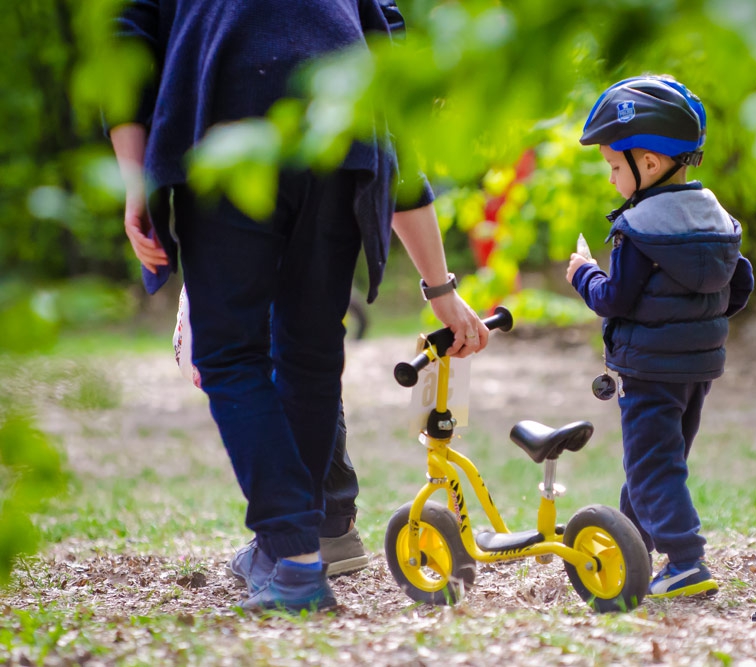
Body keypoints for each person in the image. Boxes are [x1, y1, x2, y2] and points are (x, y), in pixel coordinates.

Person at [109, 0, 489, 612]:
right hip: (344, 140)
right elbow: (389, 82)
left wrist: (135, 186)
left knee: (230, 353)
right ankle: (290, 551)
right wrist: (439, 286)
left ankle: (295, 559)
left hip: (224, 128)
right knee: (311, 353)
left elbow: (127, 47)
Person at [566, 75, 753, 599]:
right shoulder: (716, 216)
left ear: (648, 163)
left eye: (613, 165)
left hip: (648, 371)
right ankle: (634, 552)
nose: (610, 179)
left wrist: (583, 272)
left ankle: (688, 561)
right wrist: (699, 332)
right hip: (697, 369)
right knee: (658, 463)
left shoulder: (638, 227)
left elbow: (613, 299)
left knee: (652, 468)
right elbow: (741, 284)